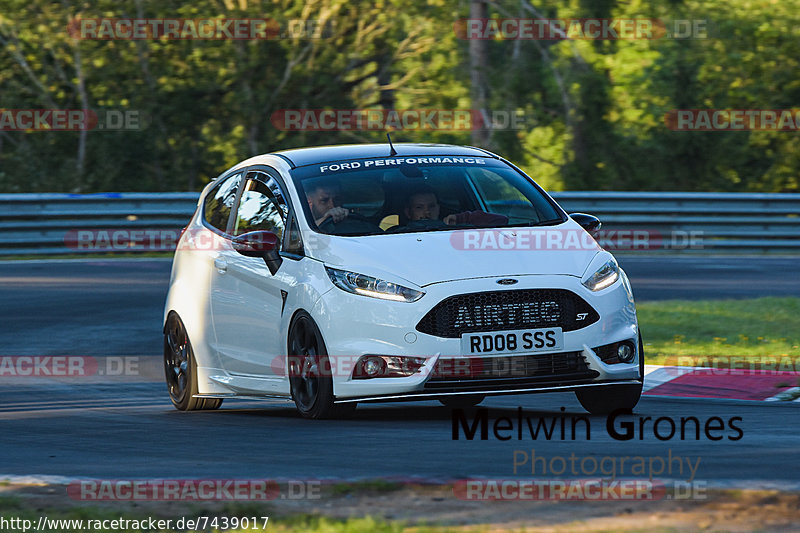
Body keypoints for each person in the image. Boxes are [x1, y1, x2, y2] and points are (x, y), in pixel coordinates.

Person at [404, 185, 509, 227]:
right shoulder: (394, 233)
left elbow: (502, 220)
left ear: (439, 208)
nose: (427, 212)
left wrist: (461, 219)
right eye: (419, 207)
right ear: (408, 212)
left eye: (431, 206)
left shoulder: (455, 229)